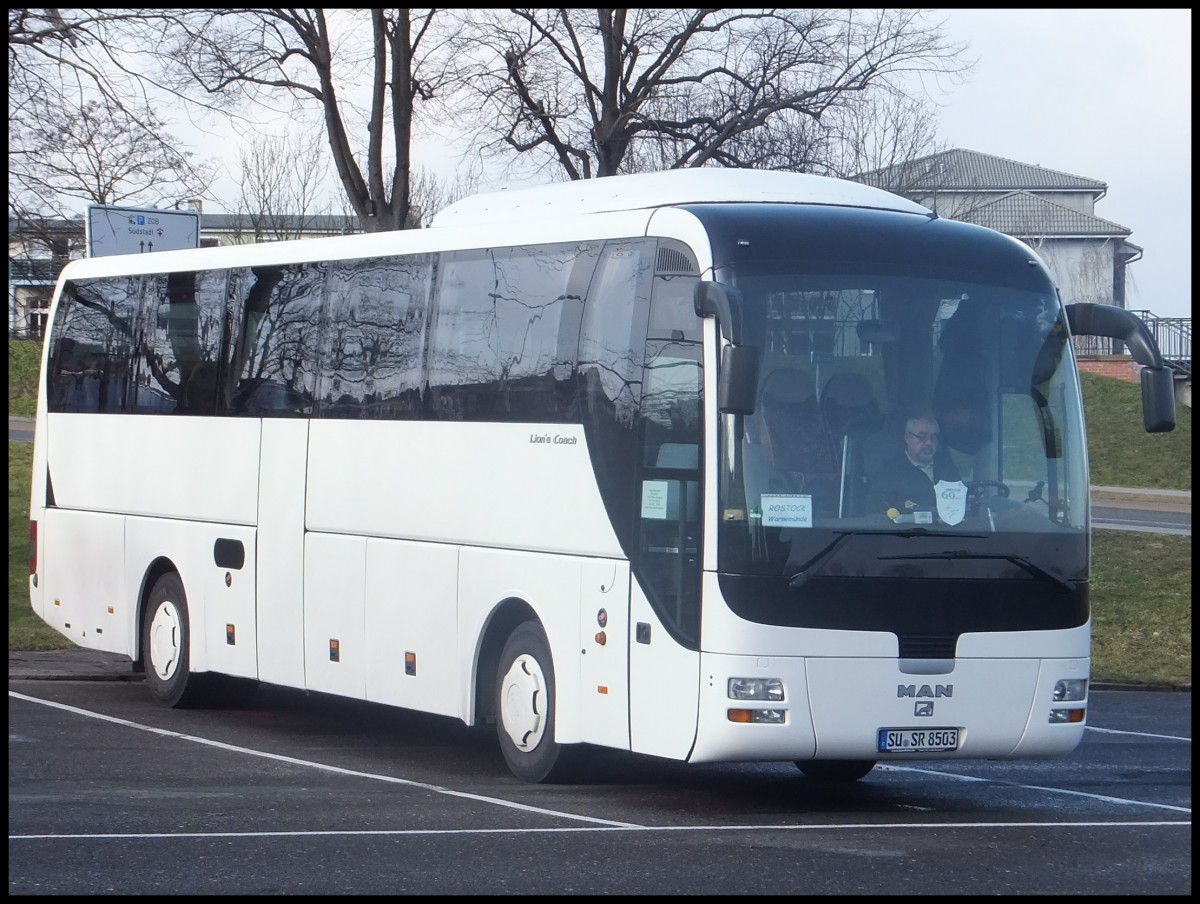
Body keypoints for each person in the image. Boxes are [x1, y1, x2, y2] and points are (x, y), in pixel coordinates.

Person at [866, 411, 962, 522]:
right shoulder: (888, 473)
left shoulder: (948, 469)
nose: (929, 443)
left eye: (934, 437)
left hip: (948, 535)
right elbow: (876, 512)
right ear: (907, 438)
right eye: (922, 436)